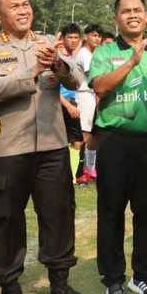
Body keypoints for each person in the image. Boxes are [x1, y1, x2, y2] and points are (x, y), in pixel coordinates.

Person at [0, 0, 90, 294]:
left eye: (26, 4)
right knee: (7, 220)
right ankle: (10, 291)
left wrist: (58, 65)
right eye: (14, 7)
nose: (23, 10)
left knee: (59, 215)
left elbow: (78, 79)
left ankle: (60, 285)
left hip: (52, 147)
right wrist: (34, 71)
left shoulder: (46, 44)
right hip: (7, 149)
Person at [88, 0, 147, 294]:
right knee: (111, 211)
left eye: (138, 10)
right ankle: (113, 278)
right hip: (114, 141)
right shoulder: (105, 52)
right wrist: (133, 59)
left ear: (146, 17)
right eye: (125, 11)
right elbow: (100, 86)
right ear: (116, 19)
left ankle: (143, 276)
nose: (132, 15)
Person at [57, 23, 86, 182]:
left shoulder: (73, 57)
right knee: (60, 143)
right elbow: (50, 87)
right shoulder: (58, 57)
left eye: (76, 37)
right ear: (62, 38)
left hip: (72, 103)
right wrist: (67, 106)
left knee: (76, 142)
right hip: (60, 105)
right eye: (70, 37)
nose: (73, 41)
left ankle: (72, 178)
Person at [74, 23, 103, 183]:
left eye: (99, 36)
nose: (97, 39)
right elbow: (92, 75)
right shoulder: (85, 53)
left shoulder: (92, 53)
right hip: (85, 95)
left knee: (92, 134)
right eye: (94, 35)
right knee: (84, 134)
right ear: (86, 36)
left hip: (92, 95)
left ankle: (89, 170)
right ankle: (79, 172)